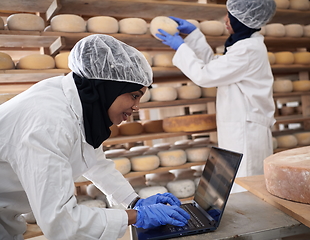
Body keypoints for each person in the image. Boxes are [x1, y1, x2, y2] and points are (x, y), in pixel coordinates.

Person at [0, 34, 189, 240]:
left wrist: (133, 201)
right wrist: (137, 216)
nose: (136, 107)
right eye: (134, 95)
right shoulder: (49, 123)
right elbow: (61, 221)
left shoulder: (80, 105)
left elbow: (94, 162)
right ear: (107, 87)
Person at [156, 0, 277, 192]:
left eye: (231, 15)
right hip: (239, 127)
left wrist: (180, 47)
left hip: (247, 132)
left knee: (246, 190)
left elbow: (205, 75)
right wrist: (194, 35)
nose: (225, 19)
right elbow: (214, 66)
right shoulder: (242, 46)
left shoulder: (248, 50)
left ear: (243, 20)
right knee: (237, 187)